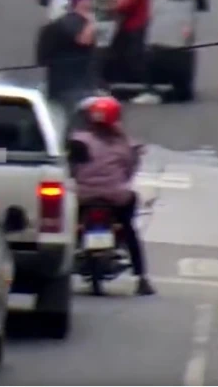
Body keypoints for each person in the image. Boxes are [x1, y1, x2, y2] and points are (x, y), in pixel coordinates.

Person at [66, 95, 155, 296]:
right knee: (129, 227)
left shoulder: (79, 140)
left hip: (83, 196)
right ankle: (141, 278)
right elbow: (129, 170)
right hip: (117, 198)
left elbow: (71, 168)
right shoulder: (123, 144)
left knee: (69, 226)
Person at [113, 0, 161, 105]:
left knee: (135, 57)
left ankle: (149, 90)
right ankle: (104, 86)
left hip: (134, 21)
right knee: (119, 53)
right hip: (130, 20)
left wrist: (117, 7)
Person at [39, 0, 99, 116]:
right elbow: (83, 40)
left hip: (71, 84)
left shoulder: (68, 21)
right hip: (72, 86)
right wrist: (91, 22)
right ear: (81, 1)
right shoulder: (71, 21)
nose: (92, 2)